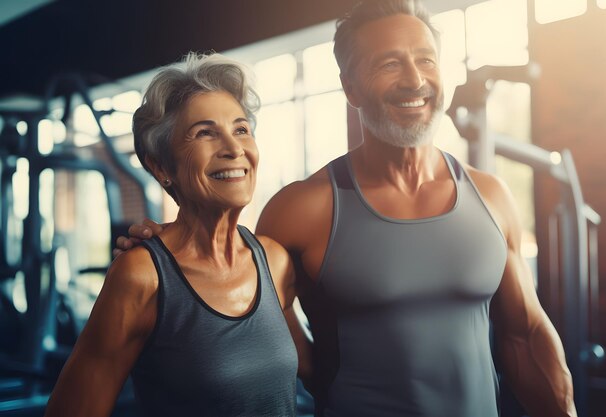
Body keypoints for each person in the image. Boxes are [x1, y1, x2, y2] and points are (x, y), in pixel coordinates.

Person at [118, 1, 577, 416]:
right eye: (390, 64)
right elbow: (237, 299)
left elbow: (525, 336)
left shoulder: (492, 197)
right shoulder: (303, 209)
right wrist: (168, 253)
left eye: (426, 60)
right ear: (350, 87)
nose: (415, 80)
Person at [45, 52, 311, 417]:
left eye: (240, 129)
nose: (234, 149)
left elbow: (316, 372)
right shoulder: (141, 276)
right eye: (205, 133)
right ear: (160, 165)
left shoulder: (274, 261)